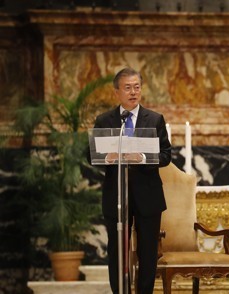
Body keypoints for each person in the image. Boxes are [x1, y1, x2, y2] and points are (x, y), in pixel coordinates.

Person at [91, 67, 171, 294]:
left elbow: (166, 155)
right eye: (127, 88)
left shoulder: (155, 119)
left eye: (137, 87)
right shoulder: (104, 120)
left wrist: (143, 157)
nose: (133, 92)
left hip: (148, 195)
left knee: (147, 254)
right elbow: (92, 155)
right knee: (117, 252)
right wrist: (108, 156)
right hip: (116, 196)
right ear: (117, 92)